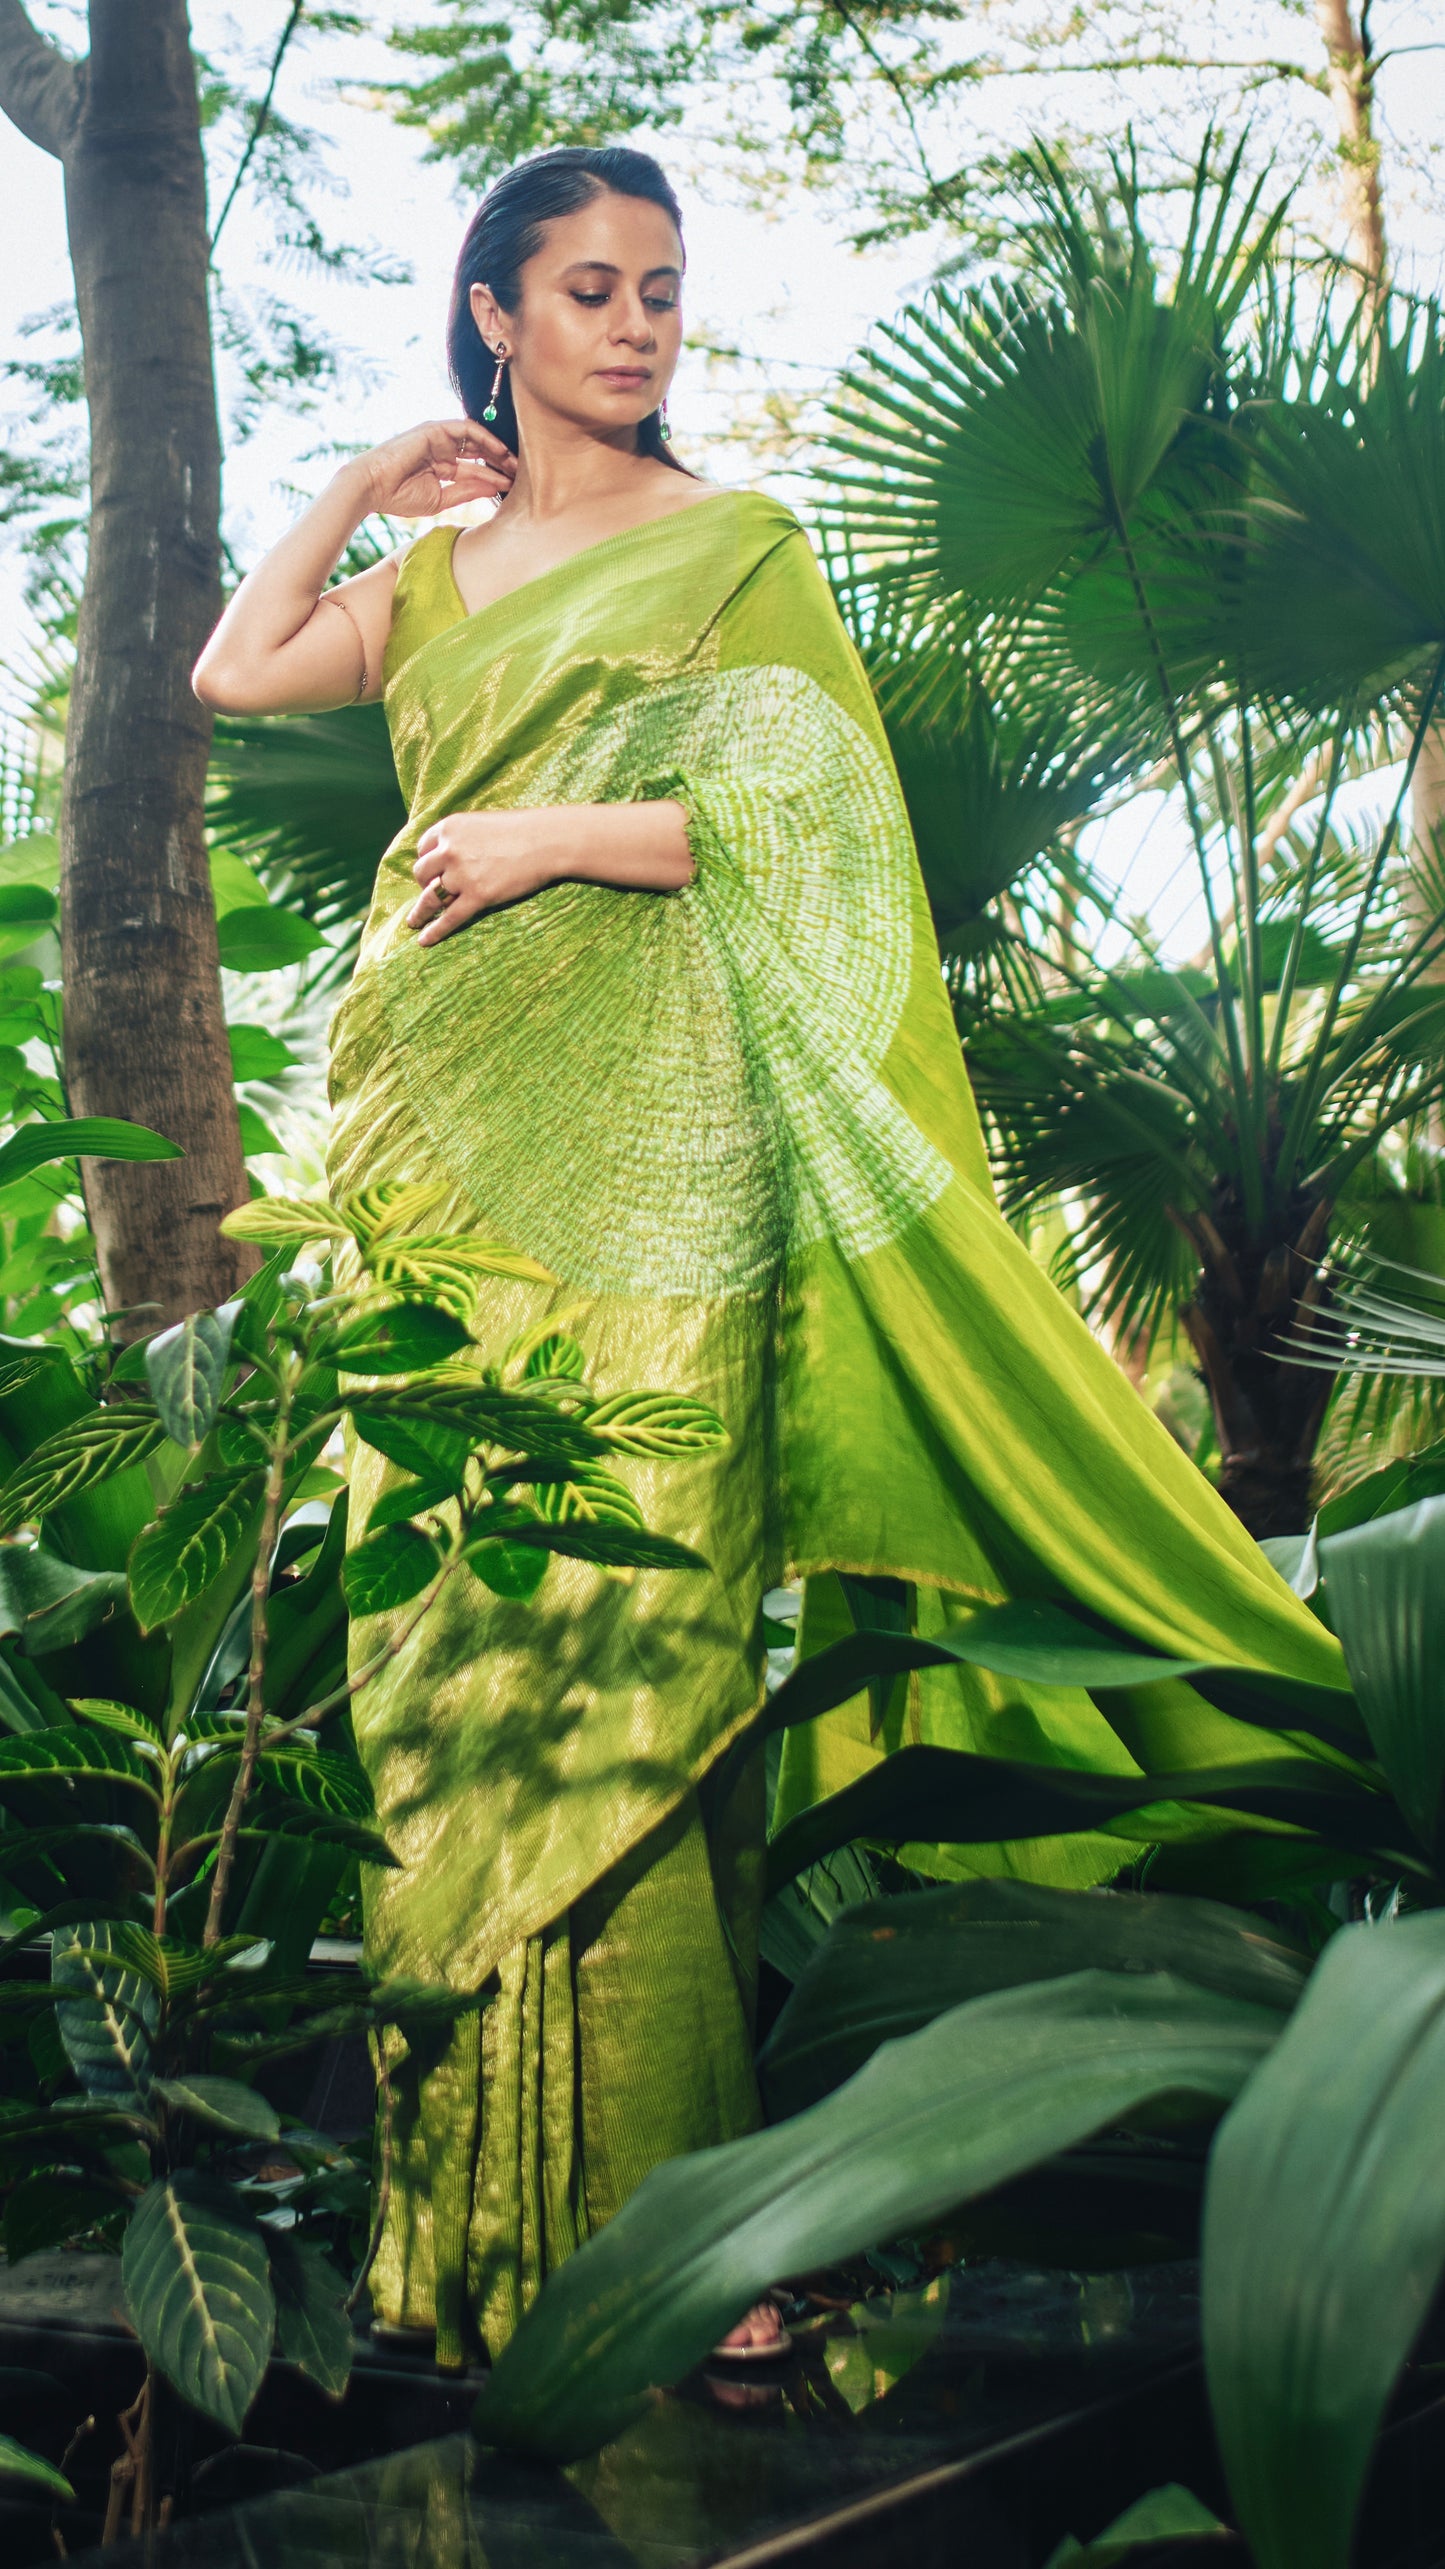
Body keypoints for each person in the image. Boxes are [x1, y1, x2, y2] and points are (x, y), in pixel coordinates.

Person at [193, 145, 1344, 2374]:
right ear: (497, 315)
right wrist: (358, 479)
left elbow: (827, 831)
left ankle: (677, 2242)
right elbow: (237, 672)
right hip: (441, 1150)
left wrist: (550, 831)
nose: (638, 326)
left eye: (661, 289)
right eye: (590, 289)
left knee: (648, 1638)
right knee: (452, 1648)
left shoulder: (734, 548)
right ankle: (468, 2250)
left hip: (660, 1165)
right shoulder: (427, 585)